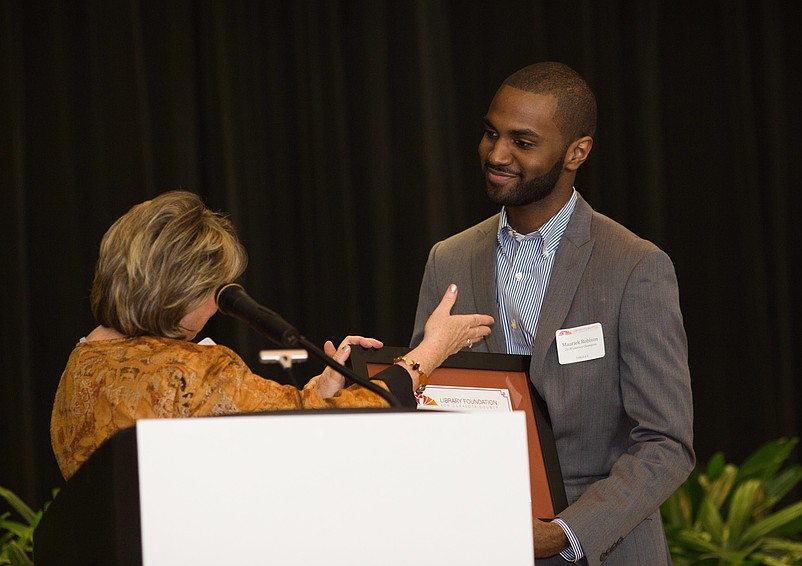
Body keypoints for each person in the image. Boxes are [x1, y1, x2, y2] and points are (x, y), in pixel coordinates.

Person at [411, 62, 694, 565]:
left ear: (576, 152)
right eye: (491, 133)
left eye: (522, 142)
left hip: (606, 549)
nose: (497, 155)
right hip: (482, 545)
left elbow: (666, 443)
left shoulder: (635, 266)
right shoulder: (448, 259)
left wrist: (567, 532)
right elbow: (426, 411)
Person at [51, 190, 493, 480]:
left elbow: (270, 424)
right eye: (214, 294)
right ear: (179, 291)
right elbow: (340, 432)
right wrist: (427, 354)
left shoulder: (80, 364)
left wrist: (319, 391)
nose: (213, 309)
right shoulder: (191, 369)